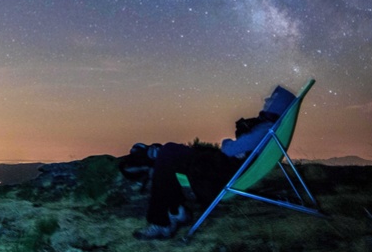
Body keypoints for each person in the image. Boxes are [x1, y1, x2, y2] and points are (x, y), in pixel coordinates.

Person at [127, 85, 296, 240]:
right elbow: (236, 150)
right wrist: (237, 147)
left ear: (278, 105)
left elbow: (227, 149)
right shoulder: (268, 128)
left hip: (221, 169)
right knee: (167, 154)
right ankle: (175, 211)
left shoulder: (266, 129)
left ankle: (164, 221)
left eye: (270, 100)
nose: (265, 102)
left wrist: (228, 143)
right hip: (221, 165)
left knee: (168, 152)